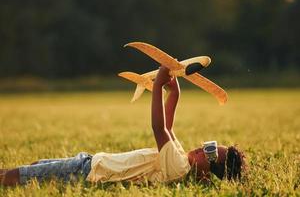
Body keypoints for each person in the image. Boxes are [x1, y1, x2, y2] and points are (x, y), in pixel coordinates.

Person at [0, 67, 245, 186]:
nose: (204, 147)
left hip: (90, 172)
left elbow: (159, 129)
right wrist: (175, 94)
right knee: (33, 168)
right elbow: (169, 127)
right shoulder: (181, 161)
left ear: (208, 170)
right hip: (91, 161)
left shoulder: (179, 168)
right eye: (210, 145)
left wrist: (158, 86)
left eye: (210, 152)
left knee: (16, 177)